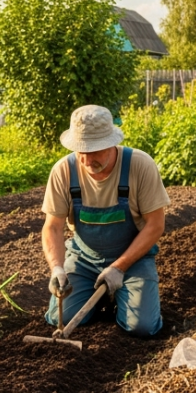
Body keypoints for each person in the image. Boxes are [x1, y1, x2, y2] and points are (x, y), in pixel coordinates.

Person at [42, 105, 171, 338]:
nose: (87, 159)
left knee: (141, 327)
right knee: (60, 317)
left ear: (112, 143)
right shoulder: (64, 171)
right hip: (84, 259)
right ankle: (105, 296)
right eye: (81, 150)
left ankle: (123, 295)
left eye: (95, 151)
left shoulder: (139, 166)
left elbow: (155, 225)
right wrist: (57, 268)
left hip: (133, 260)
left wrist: (118, 268)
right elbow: (52, 226)